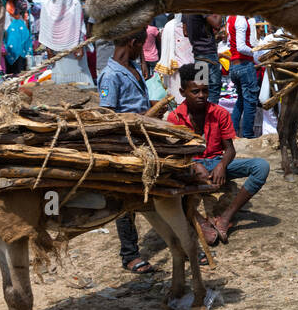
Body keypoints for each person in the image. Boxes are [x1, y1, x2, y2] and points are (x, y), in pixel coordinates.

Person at [167, 62, 270, 243]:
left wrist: (222, 165)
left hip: (215, 162)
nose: (201, 95)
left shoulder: (219, 113)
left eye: (205, 91)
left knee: (261, 166)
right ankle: (199, 220)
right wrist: (194, 164)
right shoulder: (175, 117)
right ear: (183, 92)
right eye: (195, 91)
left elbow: (230, 149)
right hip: (189, 168)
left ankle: (225, 218)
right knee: (168, 175)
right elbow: (175, 153)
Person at [98, 32, 157, 275]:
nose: (142, 50)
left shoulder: (131, 68)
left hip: (146, 141)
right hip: (126, 145)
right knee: (125, 201)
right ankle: (130, 254)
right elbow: (108, 118)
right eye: (141, 46)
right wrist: (141, 119)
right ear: (133, 43)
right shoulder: (110, 76)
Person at [39, 0, 92, 83]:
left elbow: (80, 27)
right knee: (61, 78)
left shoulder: (75, 5)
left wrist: (80, 46)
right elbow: (46, 29)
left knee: (79, 77)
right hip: (56, 49)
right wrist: (48, 49)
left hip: (73, 48)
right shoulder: (46, 6)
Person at [226, 14, 259, 138]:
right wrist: (256, 50)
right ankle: (248, 135)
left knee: (241, 100)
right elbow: (241, 47)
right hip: (244, 65)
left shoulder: (230, 18)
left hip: (235, 66)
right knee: (250, 100)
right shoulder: (240, 19)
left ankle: (233, 133)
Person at [182, 13, 224, 102]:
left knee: (201, 90)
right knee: (213, 89)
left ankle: (204, 114)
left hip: (198, 54)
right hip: (208, 53)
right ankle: (211, 115)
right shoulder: (201, 6)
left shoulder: (185, 10)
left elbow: (185, 32)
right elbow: (217, 24)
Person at [1, 0, 33, 75]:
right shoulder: (18, 13)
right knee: (17, 70)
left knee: (14, 71)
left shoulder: (7, 12)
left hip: (13, 46)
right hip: (16, 46)